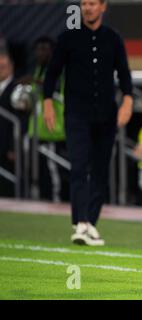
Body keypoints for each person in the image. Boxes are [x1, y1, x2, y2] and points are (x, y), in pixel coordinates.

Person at [43, 0, 133, 246]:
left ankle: (91, 223)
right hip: (76, 115)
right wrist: (47, 102)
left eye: (93, 3)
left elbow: (124, 74)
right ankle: (79, 222)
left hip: (106, 116)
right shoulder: (68, 38)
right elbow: (52, 73)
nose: (88, 8)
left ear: (103, 7)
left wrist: (127, 101)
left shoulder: (113, 38)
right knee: (80, 167)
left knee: (102, 171)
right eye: (84, 3)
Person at [28, 36, 67, 202]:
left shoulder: (59, 70)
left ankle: (57, 205)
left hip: (55, 132)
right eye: (38, 49)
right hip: (38, 130)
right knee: (39, 174)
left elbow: (53, 89)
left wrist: (34, 81)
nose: (40, 53)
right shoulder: (39, 69)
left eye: (44, 49)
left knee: (55, 174)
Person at [0, 51, 16, 197]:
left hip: (7, 146)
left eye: (3, 67)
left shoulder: (17, 87)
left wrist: (14, 146)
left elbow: (21, 121)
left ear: (11, 67)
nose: (0, 70)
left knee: (8, 184)